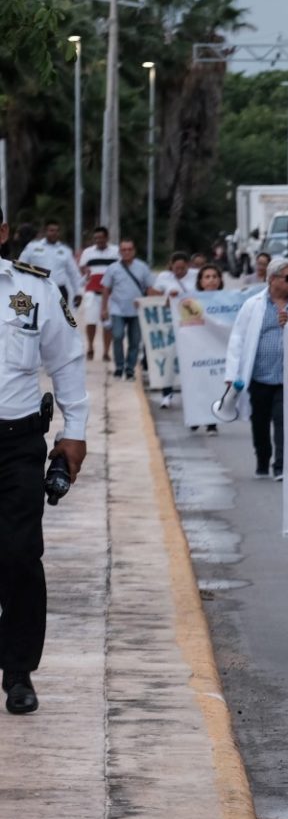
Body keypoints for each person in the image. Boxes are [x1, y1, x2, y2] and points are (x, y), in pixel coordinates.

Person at [0, 207, 89, 716]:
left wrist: (74, 433)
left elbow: (66, 361)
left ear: (3, 233)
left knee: (18, 557)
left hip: (16, 444)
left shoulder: (32, 290)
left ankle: (18, 672)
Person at [225, 257, 288, 480]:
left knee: (283, 421)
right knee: (260, 422)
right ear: (272, 279)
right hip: (259, 376)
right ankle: (263, 460)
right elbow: (237, 338)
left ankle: (281, 466)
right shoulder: (253, 305)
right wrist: (231, 374)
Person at [148, 252, 198, 408]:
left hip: (191, 326)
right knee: (169, 359)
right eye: (176, 268)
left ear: (188, 266)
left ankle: (191, 394)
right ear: (171, 266)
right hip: (169, 326)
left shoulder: (196, 275)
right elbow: (152, 296)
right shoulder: (164, 277)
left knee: (191, 361)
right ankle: (166, 395)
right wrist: (167, 297)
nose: (179, 271)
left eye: (183, 268)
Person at [98, 240, 151, 381]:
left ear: (134, 251)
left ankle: (130, 370)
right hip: (117, 310)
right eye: (124, 249)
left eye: (129, 249)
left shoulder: (143, 267)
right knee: (117, 336)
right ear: (120, 252)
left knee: (135, 341)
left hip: (137, 311)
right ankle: (119, 367)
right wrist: (104, 309)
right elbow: (106, 289)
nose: (127, 252)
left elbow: (149, 288)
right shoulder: (113, 268)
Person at [189, 265, 226, 434]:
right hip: (197, 350)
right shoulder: (192, 301)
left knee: (214, 385)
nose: (211, 280)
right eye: (207, 277)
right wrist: (172, 299)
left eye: (214, 276)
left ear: (220, 280)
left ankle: (212, 422)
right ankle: (196, 416)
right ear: (201, 281)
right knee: (197, 385)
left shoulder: (228, 300)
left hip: (218, 350)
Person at [19, 220, 84, 305]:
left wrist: (78, 292)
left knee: (61, 314)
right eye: (51, 230)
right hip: (38, 289)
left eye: (57, 231)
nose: (54, 233)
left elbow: (73, 273)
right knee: (39, 313)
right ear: (45, 231)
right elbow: (20, 267)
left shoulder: (65, 250)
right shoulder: (32, 247)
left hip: (60, 290)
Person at [77, 226, 115, 361]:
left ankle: (106, 352)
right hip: (92, 291)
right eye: (96, 238)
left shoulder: (115, 251)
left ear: (107, 237)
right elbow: (82, 267)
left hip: (110, 293)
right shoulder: (88, 252)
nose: (98, 240)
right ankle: (90, 347)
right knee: (91, 321)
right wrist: (86, 273)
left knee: (107, 324)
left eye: (101, 237)